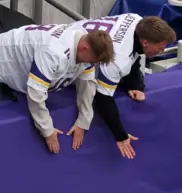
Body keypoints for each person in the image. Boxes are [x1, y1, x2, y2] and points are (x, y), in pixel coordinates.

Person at [72, 15, 176, 159]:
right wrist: (120, 136)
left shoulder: (136, 20)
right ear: (145, 42)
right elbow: (103, 98)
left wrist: (135, 85)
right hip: (66, 52)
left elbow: (133, 58)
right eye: (160, 48)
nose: (162, 51)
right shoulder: (117, 58)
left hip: (71, 33)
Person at [0, 23, 114, 154]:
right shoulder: (53, 51)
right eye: (93, 61)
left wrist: (84, 120)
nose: (93, 64)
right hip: (5, 55)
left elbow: (87, 84)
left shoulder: (84, 40)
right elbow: (35, 93)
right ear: (85, 48)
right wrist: (47, 130)